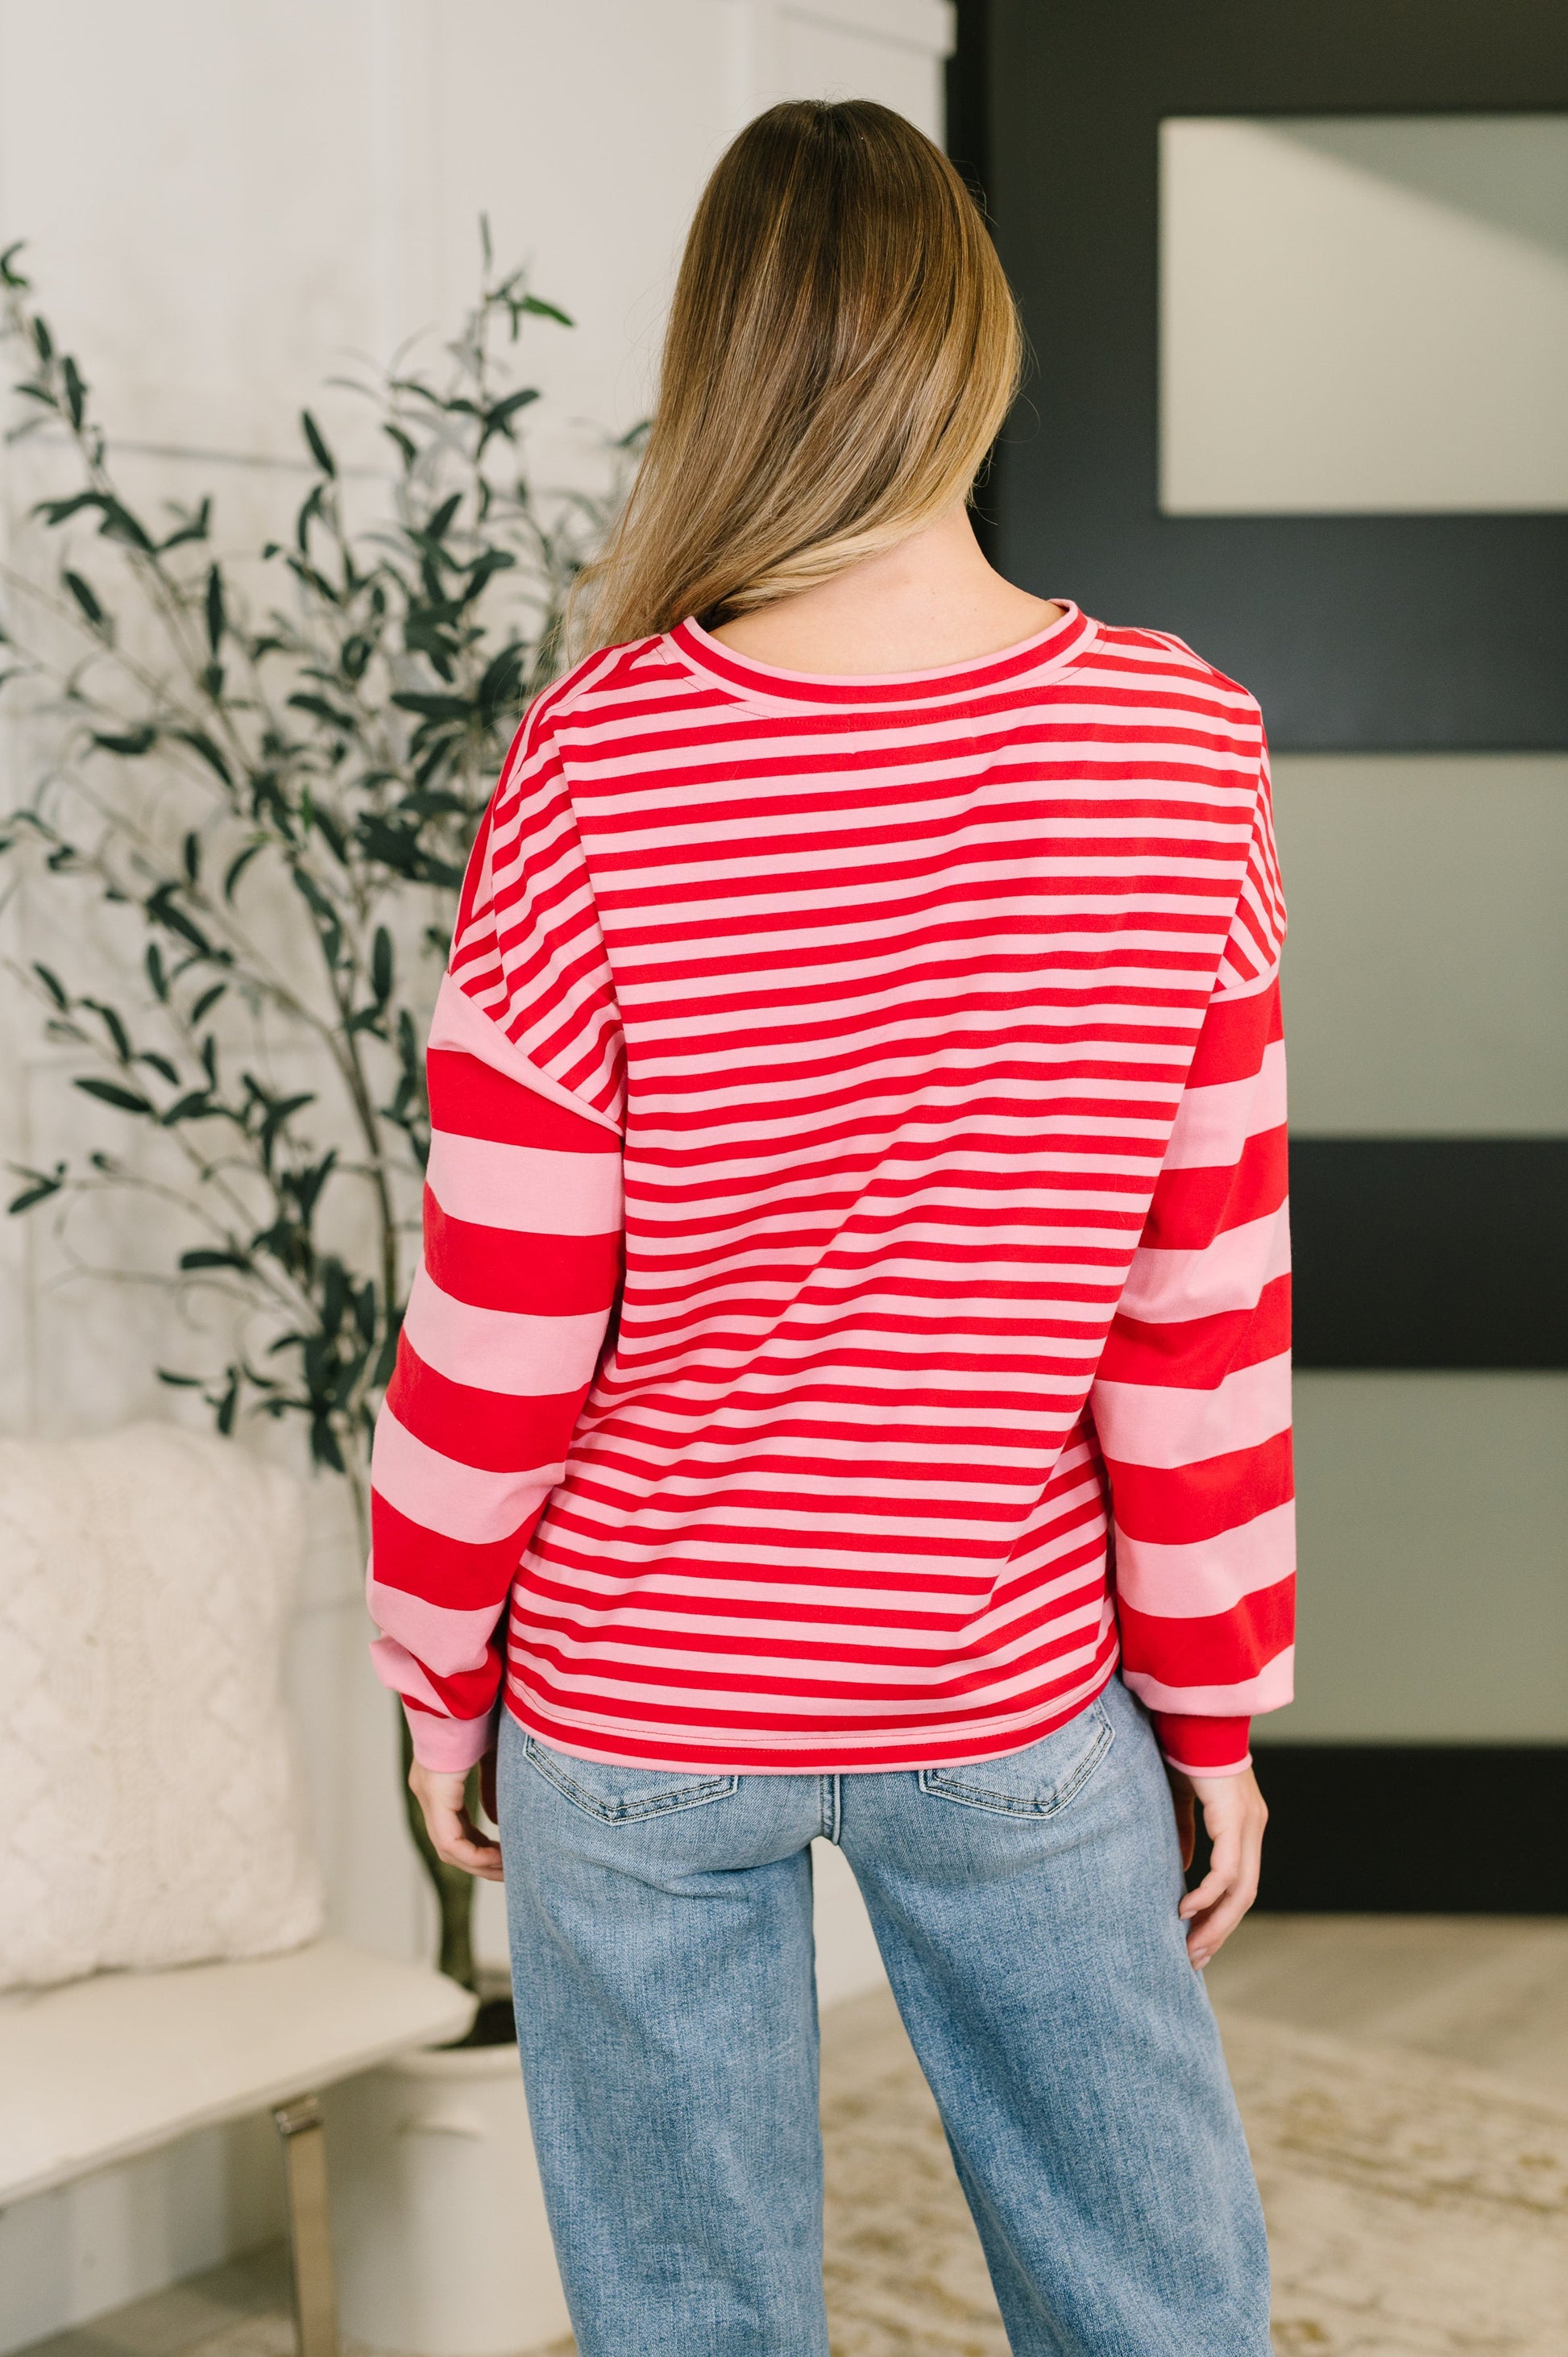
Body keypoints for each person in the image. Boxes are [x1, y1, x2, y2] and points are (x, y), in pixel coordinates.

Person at [367, 98, 1291, 2357]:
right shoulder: (1183, 749)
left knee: (689, 2323)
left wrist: (437, 1670)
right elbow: (1193, 1308)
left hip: (633, 1681)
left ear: (723, 365)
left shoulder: (591, 764)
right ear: (971, 345)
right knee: (1155, 2303)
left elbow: (501, 1314)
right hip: (1000, 1665)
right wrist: (1211, 1706)